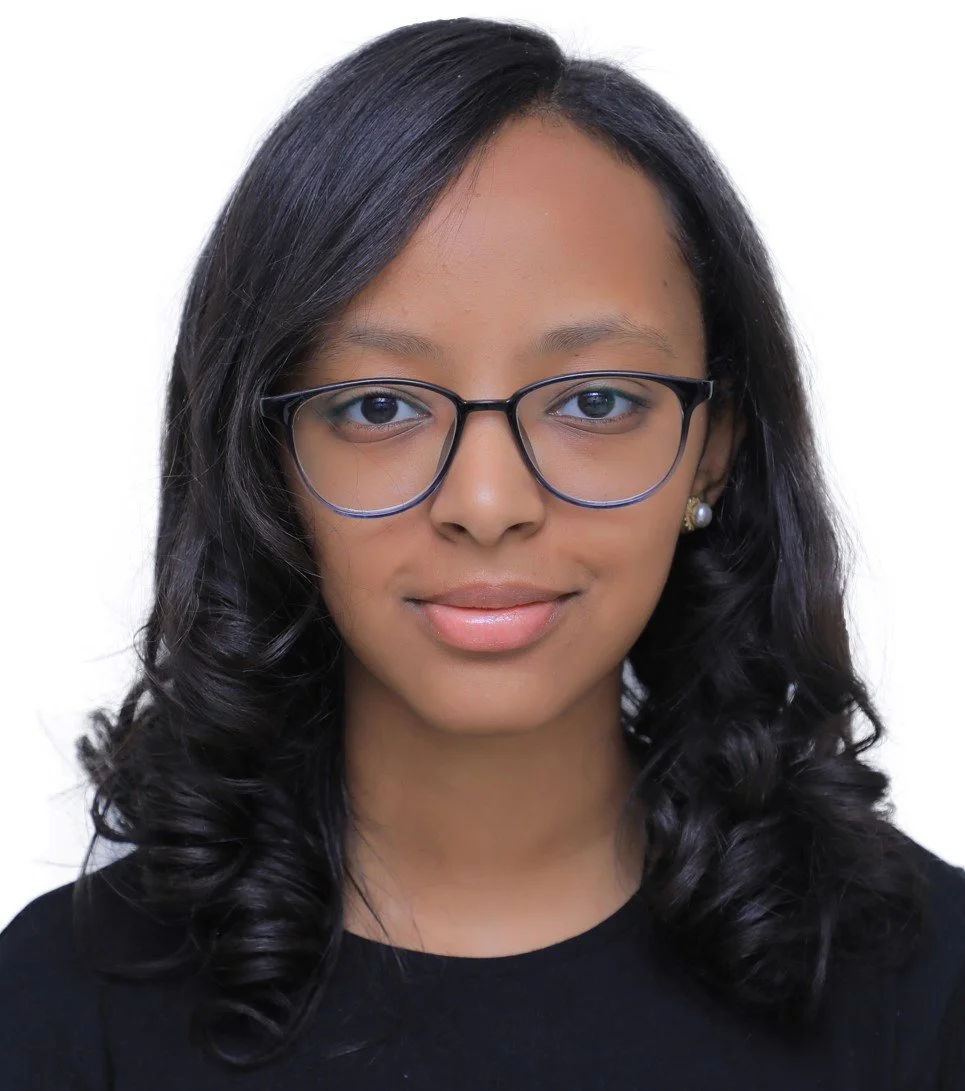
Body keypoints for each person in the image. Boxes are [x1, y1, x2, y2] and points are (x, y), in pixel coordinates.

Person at [1, 15, 963, 1089]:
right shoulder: (54, 1015)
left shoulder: (928, 992)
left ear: (711, 449)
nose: (488, 502)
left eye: (594, 400)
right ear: (267, 461)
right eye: (378, 405)